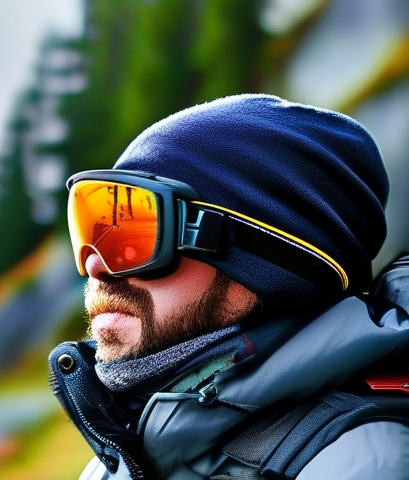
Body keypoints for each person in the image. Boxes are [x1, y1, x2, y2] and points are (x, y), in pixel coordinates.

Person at [48, 94, 409, 480]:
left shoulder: (359, 463)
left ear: (264, 262)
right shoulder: (120, 456)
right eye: (94, 228)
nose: (94, 265)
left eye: (137, 230)